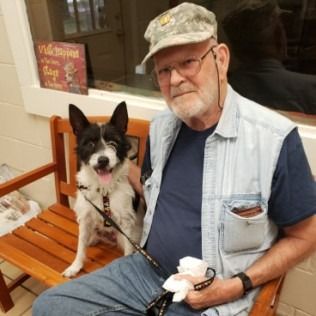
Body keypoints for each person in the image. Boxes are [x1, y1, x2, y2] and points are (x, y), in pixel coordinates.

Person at [33, 3, 316, 315]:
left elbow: (306, 235)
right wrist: (111, 168)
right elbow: (151, 189)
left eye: (188, 62)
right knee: (49, 306)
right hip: (145, 270)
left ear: (221, 59)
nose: (176, 79)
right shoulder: (162, 128)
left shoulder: (274, 140)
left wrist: (238, 284)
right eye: (164, 70)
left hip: (213, 295)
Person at [222, 0, 316, 114]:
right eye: (284, 29)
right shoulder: (310, 89)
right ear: (279, 36)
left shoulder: (221, 90)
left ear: (234, 48)